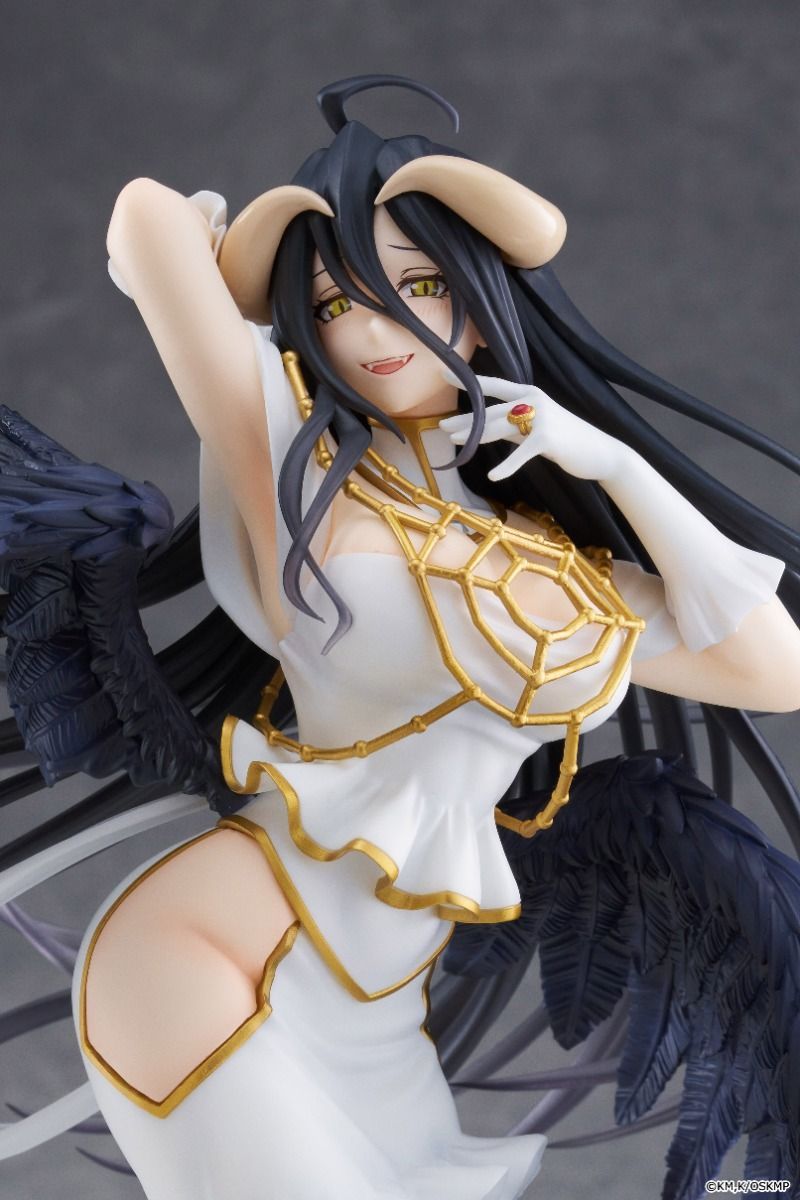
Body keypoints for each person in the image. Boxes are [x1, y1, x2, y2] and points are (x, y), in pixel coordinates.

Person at [1, 74, 799, 1200]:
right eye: (333, 304)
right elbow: (143, 218)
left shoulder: (559, 569)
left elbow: (772, 667)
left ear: (478, 300)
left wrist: (614, 466)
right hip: (207, 956)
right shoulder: (302, 485)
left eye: (418, 286)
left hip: (374, 1016)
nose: (374, 332)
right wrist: (249, 251)